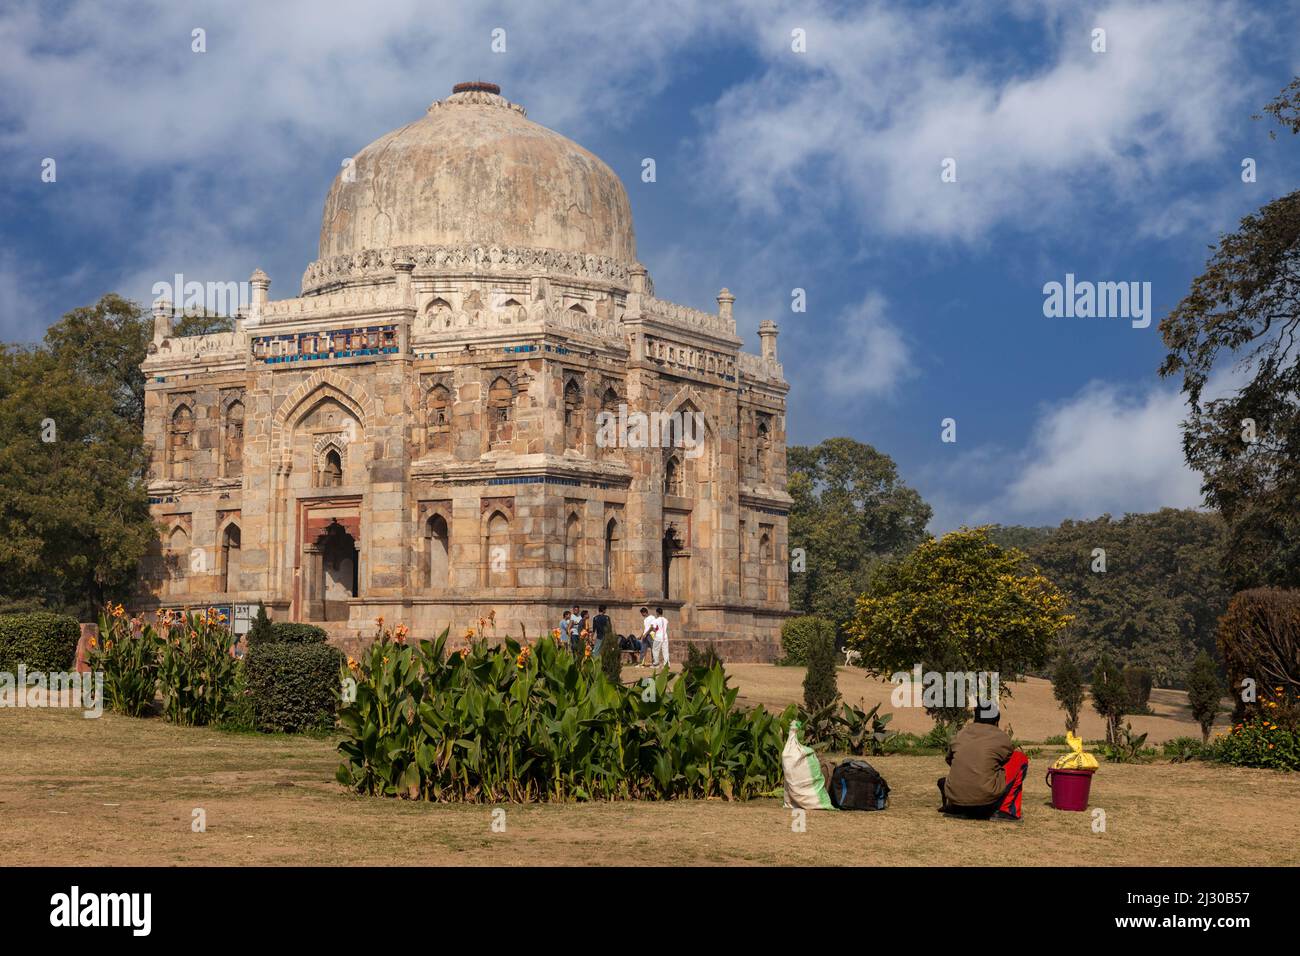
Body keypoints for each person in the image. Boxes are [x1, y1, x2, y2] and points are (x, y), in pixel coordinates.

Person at [937, 705, 1028, 821]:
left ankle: (955, 805)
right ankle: (1006, 811)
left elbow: (949, 760)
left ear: (975, 718)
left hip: (954, 794)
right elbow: (1006, 760)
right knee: (1019, 758)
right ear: (996, 721)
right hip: (985, 796)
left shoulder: (960, 734)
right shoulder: (1001, 738)